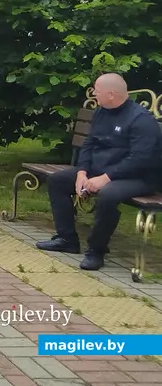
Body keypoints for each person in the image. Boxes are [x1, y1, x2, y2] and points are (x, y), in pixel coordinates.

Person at [36, 73, 162, 270]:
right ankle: (67, 239)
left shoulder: (141, 120)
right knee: (58, 180)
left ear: (111, 94)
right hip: (100, 171)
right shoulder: (101, 112)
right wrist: (82, 172)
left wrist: (105, 178)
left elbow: (140, 160)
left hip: (138, 177)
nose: (94, 94)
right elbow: (89, 143)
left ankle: (96, 250)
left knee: (108, 195)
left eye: (97, 90)